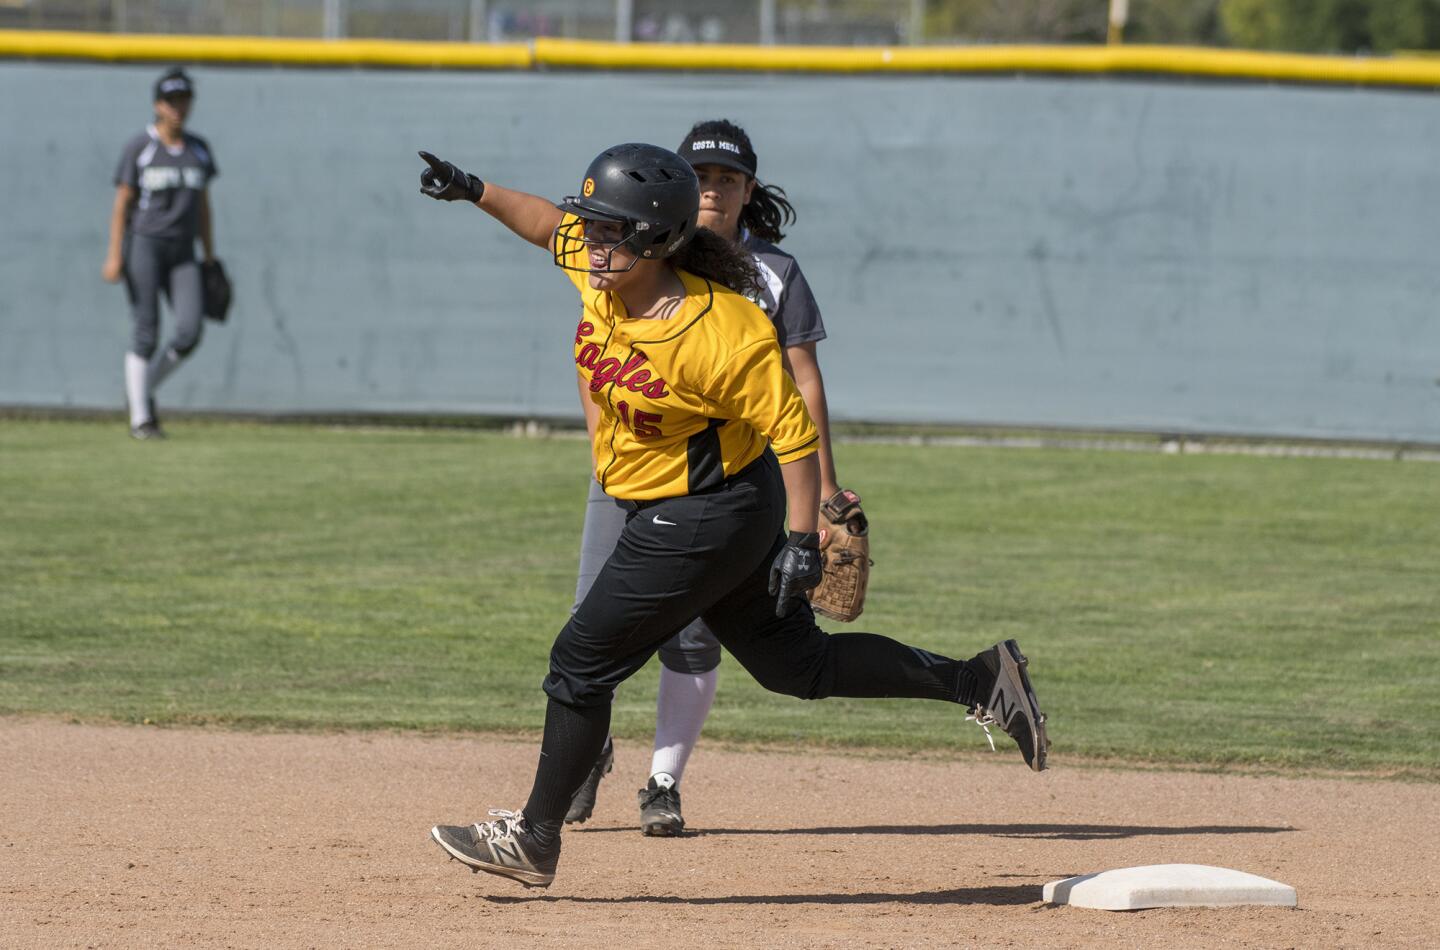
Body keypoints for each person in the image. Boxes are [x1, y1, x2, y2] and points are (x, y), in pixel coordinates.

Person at [417, 142, 1049, 888]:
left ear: (655, 239)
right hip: (690, 510)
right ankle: (979, 680)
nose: (585, 240)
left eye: (605, 228)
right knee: (796, 667)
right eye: (589, 225)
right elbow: (544, 221)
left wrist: (804, 543)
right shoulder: (603, 271)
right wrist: (473, 188)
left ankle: (534, 837)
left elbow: (794, 434)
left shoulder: (724, 332)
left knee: (580, 663)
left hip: (704, 515)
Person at [562, 119, 860, 837]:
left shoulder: (773, 273)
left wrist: (822, 491)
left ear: (749, 190)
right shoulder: (640, 251)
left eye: (728, 179)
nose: (713, 190)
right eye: (701, 177)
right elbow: (598, 343)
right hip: (630, 471)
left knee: (693, 638)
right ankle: (583, 753)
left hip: (725, 483)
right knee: (591, 624)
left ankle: (663, 781)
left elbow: (802, 388)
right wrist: (603, 446)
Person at [101, 67, 219, 440]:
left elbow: (203, 206)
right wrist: (115, 254)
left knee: (189, 329)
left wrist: (210, 255)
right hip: (145, 246)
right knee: (146, 332)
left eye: (184, 100)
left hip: (183, 251)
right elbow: (122, 204)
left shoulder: (198, 149)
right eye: (171, 101)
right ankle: (141, 420)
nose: (178, 108)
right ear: (157, 106)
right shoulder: (141, 147)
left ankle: (142, 389)